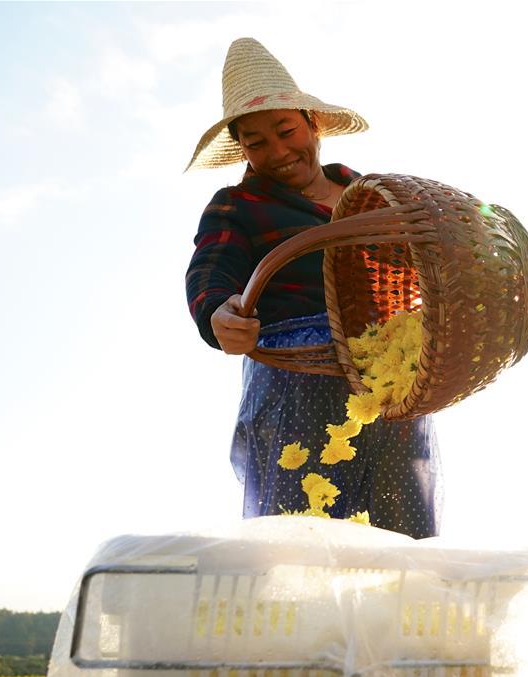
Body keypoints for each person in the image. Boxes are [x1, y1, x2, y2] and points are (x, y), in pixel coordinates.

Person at [184, 38, 442, 538]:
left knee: (403, 535)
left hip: (389, 382)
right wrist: (217, 313)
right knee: (302, 539)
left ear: (313, 123)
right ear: (242, 149)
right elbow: (210, 273)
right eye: (257, 143)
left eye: (287, 131)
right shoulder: (236, 205)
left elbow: (425, 267)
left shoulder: (371, 195)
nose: (279, 152)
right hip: (297, 380)